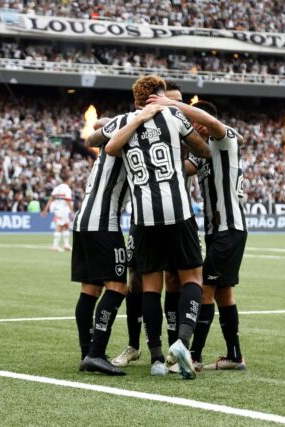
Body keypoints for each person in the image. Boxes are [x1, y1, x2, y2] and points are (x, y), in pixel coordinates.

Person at [105, 75, 210, 379]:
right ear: (160, 95)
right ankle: (182, 342)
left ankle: (156, 358)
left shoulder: (123, 121)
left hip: (143, 215)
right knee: (192, 277)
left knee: (150, 285)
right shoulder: (174, 116)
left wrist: (134, 120)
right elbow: (203, 150)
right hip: (177, 210)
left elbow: (107, 145)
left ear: (136, 99)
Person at [149, 95, 248, 371]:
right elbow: (182, 169)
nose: (193, 127)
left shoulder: (224, 138)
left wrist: (170, 104)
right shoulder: (202, 151)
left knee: (205, 288)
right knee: (223, 294)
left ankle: (193, 356)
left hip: (229, 227)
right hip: (218, 231)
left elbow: (213, 123)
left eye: (194, 122)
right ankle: (234, 356)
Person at [71, 114, 131, 376]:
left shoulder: (112, 138)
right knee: (118, 288)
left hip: (82, 220)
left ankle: (87, 353)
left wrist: (109, 122)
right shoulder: (129, 139)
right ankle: (96, 353)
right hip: (105, 222)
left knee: (90, 289)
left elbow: (97, 127)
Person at [42, 180, 73, 251]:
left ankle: (66, 245)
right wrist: (72, 211)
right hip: (63, 210)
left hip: (58, 209)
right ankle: (55, 246)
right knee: (60, 227)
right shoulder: (67, 189)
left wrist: (45, 210)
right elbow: (68, 201)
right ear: (67, 180)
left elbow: (51, 199)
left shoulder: (56, 189)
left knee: (66, 225)